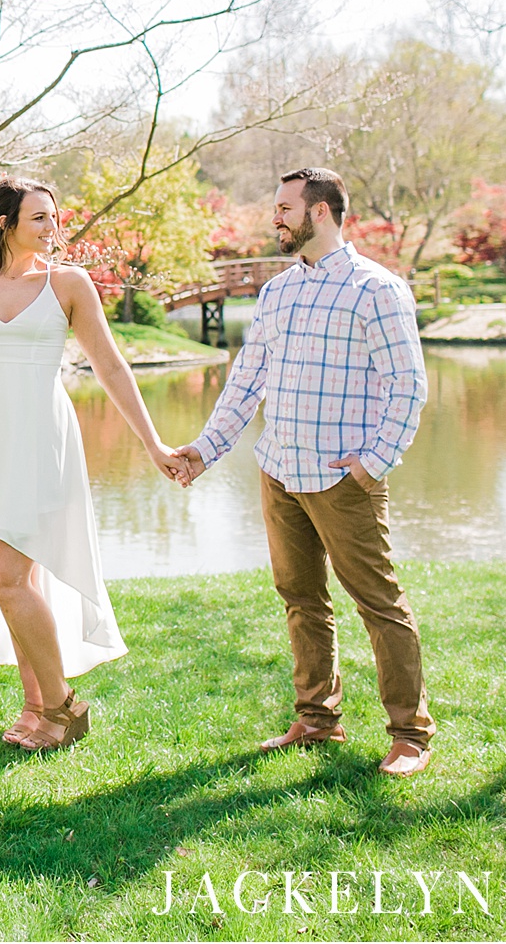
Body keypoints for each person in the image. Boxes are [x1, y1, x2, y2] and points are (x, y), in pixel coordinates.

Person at [169, 167, 435, 778]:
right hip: (279, 471)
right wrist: (205, 450)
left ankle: (410, 735)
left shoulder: (378, 290)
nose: (276, 218)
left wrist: (374, 465)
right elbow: (248, 380)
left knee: (378, 601)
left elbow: (408, 386)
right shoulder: (277, 291)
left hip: (344, 479)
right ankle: (318, 718)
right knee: (300, 598)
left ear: (320, 213)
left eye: (285, 207)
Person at [0, 177, 188, 753]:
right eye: (38, 218)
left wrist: (154, 444)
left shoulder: (68, 284)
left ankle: (63, 706)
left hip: (39, 441)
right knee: (21, 578)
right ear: (4, 224)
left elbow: (111, 368)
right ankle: (36, 707)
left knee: (4, 577)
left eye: (53, 217)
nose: (51, 228)